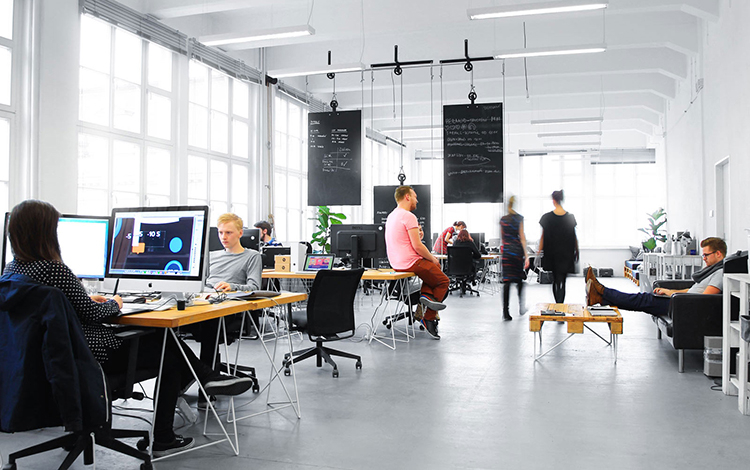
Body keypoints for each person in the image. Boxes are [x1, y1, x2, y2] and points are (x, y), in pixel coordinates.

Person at [2, 200, 254, 456]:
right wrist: (115, 302)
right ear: (45, 233)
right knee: (167, 350)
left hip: (47, 362)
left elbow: (57, 308)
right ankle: (167, 432)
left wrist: (85, 300)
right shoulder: (54, 270)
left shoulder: (11, 272)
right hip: (88, 357)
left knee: (165, 343)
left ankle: (205, 377)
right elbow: (93, 314)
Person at [586, 237, 727, 316]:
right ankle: (599, 298)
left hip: (684, 306)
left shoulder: (719, 273)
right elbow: (693, 291)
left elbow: (704, 300)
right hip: (682, 301)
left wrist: (674, 295)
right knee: (641, 300)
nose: (703, 258)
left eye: (706, 255)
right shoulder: (712, 271)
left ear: (718, 254)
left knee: (642, 299)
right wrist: (670, 291)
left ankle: (602, 291)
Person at [385, 186, 450, 339]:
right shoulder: (408, 216)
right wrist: (433, 258)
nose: (417, 200)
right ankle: (428, 317)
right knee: (443, 281)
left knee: (430, 276)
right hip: (410, 261)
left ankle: (425, 298)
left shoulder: (391, 216)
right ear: (407, 197)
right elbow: (417, 246)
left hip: (396, 263)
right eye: (415, 196)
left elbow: (405, 242)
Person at [538, 190, 579, 303]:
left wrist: (538, 252)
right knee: (563, 281)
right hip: (566, 254)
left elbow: (542, 237)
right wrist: (577, 251)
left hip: (552, 255)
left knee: (555, 280)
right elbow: (574, 236)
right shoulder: (570, 217)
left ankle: (558, 304)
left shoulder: (547, 218)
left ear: (553, 200)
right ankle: (560, 303)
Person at [500, 196, 530, 321]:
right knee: (519, 280)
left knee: (506, 281)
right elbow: (522, 237)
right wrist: (526, 255)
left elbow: (502, 238)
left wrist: (505, 249)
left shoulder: (503, 220)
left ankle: (505, 312)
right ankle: (521, 307)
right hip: (517, 252)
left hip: (507, 251)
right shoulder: (519, 218)